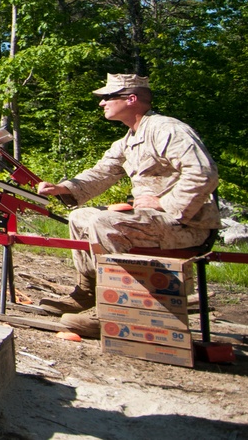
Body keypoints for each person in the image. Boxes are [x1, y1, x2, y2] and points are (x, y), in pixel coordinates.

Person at [36, 73, 220, 338]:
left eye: (108, 97)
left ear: (131, 99)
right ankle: (88, 293)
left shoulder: (167, 129)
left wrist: (163, 202)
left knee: (105, 223)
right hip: (157, 221)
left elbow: (204, 173)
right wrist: (63, 188)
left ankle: (115, 309)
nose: (102, 103)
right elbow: (102, 172)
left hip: (187, 224)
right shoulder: (129, 139)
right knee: (81, 217)